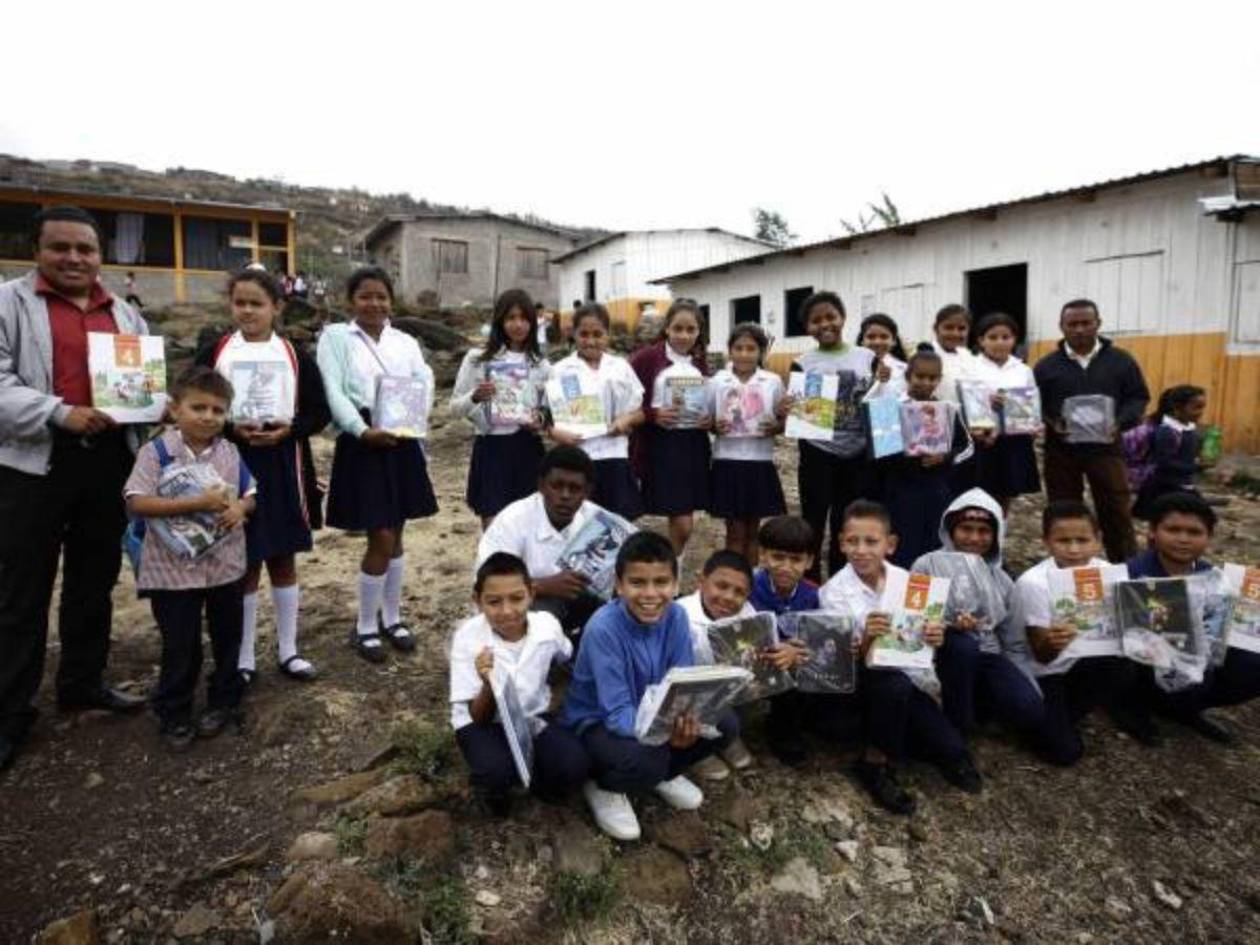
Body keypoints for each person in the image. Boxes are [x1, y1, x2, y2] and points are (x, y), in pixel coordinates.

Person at [0, 206, 149, 772]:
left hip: (107, 460)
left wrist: (147, 406)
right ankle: (11, 712)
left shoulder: (125, 316)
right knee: (22, 588)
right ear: (36, 250)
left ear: (100, 255)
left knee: (94, 577)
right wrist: (60, 414)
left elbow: (142, 389)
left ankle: (82, 681)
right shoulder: (9, 303)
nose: (73, 259)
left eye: (85, 249)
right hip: (32, 464)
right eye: (60, 247)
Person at [196, 268, 330, 683]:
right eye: (241, 303)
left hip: (283, 464)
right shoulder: (217, 350)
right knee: (245, 561)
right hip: (232, 464)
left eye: (258, 303)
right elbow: (195, 402)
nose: (248, 311)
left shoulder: (293, 355)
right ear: (230, 305)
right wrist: (230, 428)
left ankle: (289, 650)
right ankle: (245, 656)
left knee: (283, 558)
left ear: (277, 307)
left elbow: (318, 411)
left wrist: (293, 429)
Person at [561, 531, 737, 841]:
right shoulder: (604, 628)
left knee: (725, 723)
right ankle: (605, 785)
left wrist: (689, 718)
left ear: (675, 583)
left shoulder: (677, 616)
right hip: (598, 722)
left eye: (661, 582)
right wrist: (670, 735)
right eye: (637, 583)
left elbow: (682, 681)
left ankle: (661, 774)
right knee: (650, 757)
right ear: (619, 585)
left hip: (653, 713)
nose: (650, 594)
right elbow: (616, 714)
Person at [124, 367, 256, 751]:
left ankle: (225, 701)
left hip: (224, 567)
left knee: (228, 637)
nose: (208, 417)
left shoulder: (230, 452)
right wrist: (195, 503)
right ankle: (174, 712)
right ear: (175, 409)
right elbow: (136, 501)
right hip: (171, 572)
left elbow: (250, 493)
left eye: (218, 410)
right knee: (180, 644)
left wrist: (241, 510)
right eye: (198, 407)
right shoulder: (156, 452)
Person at [818, 500, 979, 811]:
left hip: (909, 676)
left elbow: (923, 637)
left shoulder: (907, 582)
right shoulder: (834, 593)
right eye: (852, 541)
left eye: (871, 541)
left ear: (890, 545)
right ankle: (874, 762)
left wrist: (934, 635)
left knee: (950, 746)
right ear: (840, 543)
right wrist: (867, 637)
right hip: (865, 681)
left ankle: (936, 738)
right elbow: (843, 664)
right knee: (892, 686)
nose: (861, 550)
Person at [317, 266, 438, 664]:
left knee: (398, 531)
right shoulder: (335, 338)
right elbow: (333, 389)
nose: (374, 303)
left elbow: (424, 379)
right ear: (351, 300)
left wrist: (415, 419)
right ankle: (366, 625)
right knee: (380, 535)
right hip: (364, 441)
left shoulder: (405, 341)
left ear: (391, 300)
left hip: (402, 438)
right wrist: (359, 429)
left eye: (381, 296)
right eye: (365, 296)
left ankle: (393, 616)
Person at [449, 552, 590, 816]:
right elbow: (477, 717)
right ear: (477, 602)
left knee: (574, 765)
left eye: (517, 598)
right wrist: (488, 685)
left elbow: (565, 657)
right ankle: (493, 793)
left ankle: (538, 785)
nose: (507, 611)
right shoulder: (468, 638)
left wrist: (557, 696)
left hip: (530, 714)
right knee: (496, 772)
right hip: (483, 722)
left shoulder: (547, 626)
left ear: (532, 594)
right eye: (493, 602)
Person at [1009, 500, 1150, 764]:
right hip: (1042, 672)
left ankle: (1065, 714)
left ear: (1098, 540)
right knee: (1065, 753)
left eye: (1082, 540)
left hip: (1081, 663)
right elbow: (1041, 656)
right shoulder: (1034, 583)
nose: (1074, 549)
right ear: (1046, 542)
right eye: (1063, 541)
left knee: (1124, 664)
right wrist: (1053, 642)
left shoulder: (1108, 573)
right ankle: (1035, 717)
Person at [911, 488, 1047, 746]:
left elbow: (1013, 642)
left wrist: (1028, 685)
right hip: (942, 654)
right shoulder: (926, 566)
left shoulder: (1003, 581)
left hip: (987, 655)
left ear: (997, 536)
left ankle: (980, 707)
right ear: (950, 529)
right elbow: (912, 620)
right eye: (966, 528)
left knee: (1031, 711)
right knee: (962, 646)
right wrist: (950, 626)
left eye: (984, 531)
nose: (974, 538)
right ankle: (955, 727)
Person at [1127, 492, 1260, 744]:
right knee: (1193, 665)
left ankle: (1186, 708)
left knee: (1253, 660)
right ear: (1153, 532)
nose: (1183, 539)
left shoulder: (1215, 577)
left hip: (1198, 660)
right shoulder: (1130, 574)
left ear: (1208, 538)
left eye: (1194, 532)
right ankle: (1133, 706)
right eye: (1173, 529)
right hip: (1145, 667)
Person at [1034, 299, 1150, 562]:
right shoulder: (1046, 366)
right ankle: (1066, 566)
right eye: (1072, 324)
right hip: (1062, 452)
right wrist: (1052, 422)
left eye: (1085, 323)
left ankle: (1124, 567)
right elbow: (1034, 405)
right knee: (1063, 510)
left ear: (1098, 324)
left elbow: (1138, 398)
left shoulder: (1121, 361)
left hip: (1106, 449)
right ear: (1061, 327)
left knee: (1116, 509)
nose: (1079, 329)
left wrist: (1119, 422)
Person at [779, 291, 878, 579]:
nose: (825, 324)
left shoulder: (867, 357)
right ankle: (809, 582)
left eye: (831, 317)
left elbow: (882, 399)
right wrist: (788, 408)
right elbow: (800, 414)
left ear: (843, 318)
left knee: (845, 523)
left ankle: (840, 580)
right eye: (816, 320)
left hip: (857, 454)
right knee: (813, 520)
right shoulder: (803, 362)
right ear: (807, 327)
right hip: (817, 452)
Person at [475, 445, 607, 636]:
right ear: (541, 485)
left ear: (587, 492)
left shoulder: (598, 520)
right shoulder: (512, 520)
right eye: (557, 485)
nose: (565, 495)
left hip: (580, 606)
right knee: (540, 618)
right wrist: (544, 586)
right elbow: (485, 584)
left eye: (575, 488)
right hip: (531, 607)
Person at [451, 288, 552, 528]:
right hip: (491, 450)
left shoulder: (542, 365)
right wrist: (475, 397)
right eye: (511, 318)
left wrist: (539, 420)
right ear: (499, 321)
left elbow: (550, 414)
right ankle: (494, 566)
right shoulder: (477, 359)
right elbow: (454, 408)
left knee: (529, 525)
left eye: (524, 318)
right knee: (494, 525)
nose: (518, 325)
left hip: (527, 449)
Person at [629, 299, 713, 555]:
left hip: (693, 446)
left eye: (691, 330)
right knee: (638, 513)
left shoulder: (700, 362)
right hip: (659, 446)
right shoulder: (646, 358)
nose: (684, 335)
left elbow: (708, 403)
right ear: (666, 328)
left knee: (684, 523)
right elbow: (628, 403)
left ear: (700, 332)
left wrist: (708, 420)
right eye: (678, 328)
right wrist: (653, 415)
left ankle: (672, 568)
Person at [546, 303, 644, 519]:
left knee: (616, 522)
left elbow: (640, 412)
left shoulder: (620, 367)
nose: (591, 341)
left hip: (615, 456)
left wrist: (626, 420)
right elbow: (545, 416)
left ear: (608, 335)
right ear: (574, 334)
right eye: (584, 334)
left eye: (598, 334)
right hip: (577, 458)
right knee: (577, 522)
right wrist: (556, 433)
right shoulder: (561, 370)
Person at [880, 345, 970, 567]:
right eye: (920, 376)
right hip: (899, 491)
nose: (926, 383)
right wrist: (902, 446)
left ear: (939, 379)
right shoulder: (889, 408)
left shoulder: (947, 410)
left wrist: (945, 456)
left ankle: (929, 594)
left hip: (935, 491)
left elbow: (966, 447)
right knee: (901, 546)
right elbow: (878, 453)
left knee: (932, 546)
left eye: (932, 378)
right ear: (908, 376)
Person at [676, 549, 760, 780]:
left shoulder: (748, 614)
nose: (728, 597)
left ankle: (728, 739)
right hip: (689, 692)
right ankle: (698, 751)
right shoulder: (680, 614)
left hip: (727, 686)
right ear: (701, 581)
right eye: (721, 586)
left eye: (739, 592)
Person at [709, 323, 786, 561]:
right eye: (738, 348)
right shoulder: (717, 381)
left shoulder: (772, 381)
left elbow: (783, 420)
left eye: (751, 348)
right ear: (729, 351)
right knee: (734, 531)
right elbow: (707, 418)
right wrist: (714, 426)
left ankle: (748, 584)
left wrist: (776, 427)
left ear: (761, 351)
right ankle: (733, 581)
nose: (744, 354)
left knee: (753, 531)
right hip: (727, 461)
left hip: (759, 462)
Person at [971, 312, 1041, 513]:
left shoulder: (1022, 369)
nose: (999, 342)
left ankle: (1000, 533)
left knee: (1005, 494)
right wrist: (986, 401)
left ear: (1014, 340)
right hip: (983, 440)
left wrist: (1033, 423)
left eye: (1006, 337)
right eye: (992, 337)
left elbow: (1031, 402)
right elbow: (964, 401)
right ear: (981, 340)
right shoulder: (971, 367)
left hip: (1014, 442)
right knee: (980, 494)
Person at [1131, 385, 1208, 521]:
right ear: (1177, 408)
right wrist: (1197, 467)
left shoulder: (1189, 428)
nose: (1200, 412)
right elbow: (1163, 463)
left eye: (1202, 407)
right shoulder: (1167, 432)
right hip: (1165, 488)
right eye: (1196, 407)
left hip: (1182, 485)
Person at [857, 312, 908, 400]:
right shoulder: (850, 368)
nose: (877, 342)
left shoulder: (906, 372)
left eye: (884, 337)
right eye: (871, 337)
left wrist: (881, 383)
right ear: (862, 341)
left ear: (894, 341)